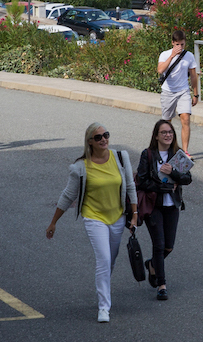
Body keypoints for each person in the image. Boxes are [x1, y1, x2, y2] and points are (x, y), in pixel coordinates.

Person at [45, 123, 137, 323]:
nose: (103, 139)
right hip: (94, 217)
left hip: (118, 217)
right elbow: (68, 195)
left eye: (106, 135)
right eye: (98, 137)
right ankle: (104, 307)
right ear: (90, 142)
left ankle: (104, 288)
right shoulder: (80, 167)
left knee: (110, 260)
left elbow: (130, 185)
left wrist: (135, 214)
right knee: (103, 259)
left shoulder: (121, 157)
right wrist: (54, 222)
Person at [136, 118, 192, 302]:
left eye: (170, 132)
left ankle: (152, 264)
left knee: (169, 246)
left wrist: (173, 173)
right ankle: (162, 285)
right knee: (159, 245)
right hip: (154, 205)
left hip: (172, 206)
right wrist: (163, 187)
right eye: (164, 132)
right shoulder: (148, 154)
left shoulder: (177, 154)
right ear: (156, 136)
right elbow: (141, 180)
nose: (168, 135)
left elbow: (187, 178)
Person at [157, 30, 200, 153]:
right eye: (177, 44)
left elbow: (193, 76)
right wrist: (172, 56)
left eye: (182, 44)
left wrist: (195, 94)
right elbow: (160, 70)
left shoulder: (189, 56)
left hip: (183, 91)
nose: (180, 47)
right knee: (166, 123)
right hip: (168, 92)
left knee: (185, 118)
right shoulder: (165, 55)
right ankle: (165, 149)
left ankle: (185, 151)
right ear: (172, 43)